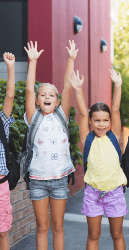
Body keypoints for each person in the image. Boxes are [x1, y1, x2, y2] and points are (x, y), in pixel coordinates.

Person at [24, 40, 78, 250]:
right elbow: (29, 89)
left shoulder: (61, 117)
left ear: (57, 101)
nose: (47, 97)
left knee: (58, 227)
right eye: (43, 95)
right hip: (37, 180)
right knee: (42, 227)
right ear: (37, 101)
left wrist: (71, 59)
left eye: (51, 95)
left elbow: (67, 86)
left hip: (59, 180)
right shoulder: (33, 117)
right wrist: (33, 61)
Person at [69, 68, 127, 250]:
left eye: (105, 120)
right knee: (93, 236)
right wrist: (78, 89)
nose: (101, 124)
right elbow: (83, 114)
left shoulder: (113, 136)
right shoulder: (88, 139)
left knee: (117, 235)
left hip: (114, 193)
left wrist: (117, 85)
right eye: (97, 121)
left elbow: (115, 110)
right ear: (91, 123)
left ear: (110, 122)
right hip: (93, 194)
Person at [0, 52, 16, 250]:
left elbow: (10, 95)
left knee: (2, 233)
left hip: (1, 186)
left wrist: (10, 67)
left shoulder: (1, 122)